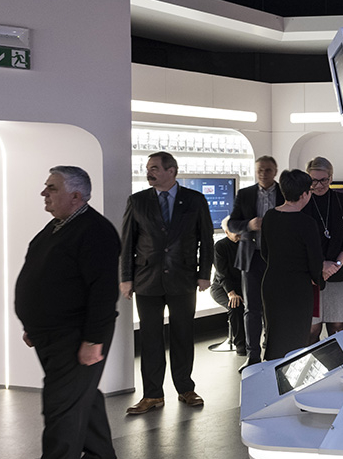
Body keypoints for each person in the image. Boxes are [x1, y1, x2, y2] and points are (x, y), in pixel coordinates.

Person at [3, 167, 120, 459]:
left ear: (76, 196)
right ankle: (100, 454)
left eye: (51, 188)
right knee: (82, 394)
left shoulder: (96, 231)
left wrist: (94, 340)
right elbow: (44, 277)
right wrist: (33, 322)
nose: (44, 193)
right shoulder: (57, 227)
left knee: (60, 404)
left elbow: (103, 291)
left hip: (77, 334)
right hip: (50, 333)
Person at [121, 151, 212, 414]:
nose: (149, 172)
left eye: (154, 168)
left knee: (183, 334)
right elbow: (127, 243)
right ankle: (152, 395)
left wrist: (204, 273)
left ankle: (185, 388)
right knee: (150, 338)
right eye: (148, 168)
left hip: (183, 278)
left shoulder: (195, 200)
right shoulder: (137, 201)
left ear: (171, 171)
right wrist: (126, 278)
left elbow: (206, 239)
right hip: (147, 279)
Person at [260, 169, 325, 360]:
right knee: (297, 338)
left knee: (274, 336)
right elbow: (315, 260)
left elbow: (265, 252)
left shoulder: (270, 216)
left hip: (272, 283)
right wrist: (318, 279)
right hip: (298, 288)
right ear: (304, 194)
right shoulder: (307, 222)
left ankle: (271, 374)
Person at [228, 155, 283, 365]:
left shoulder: (284, 193)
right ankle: (252, 356)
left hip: (277, 259)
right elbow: (232, 224)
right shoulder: (245, 194)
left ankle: (273, 352)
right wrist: (248, 226)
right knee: (252, 309)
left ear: (275, 171)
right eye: (259, 169)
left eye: (268, 170)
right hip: (251, 258)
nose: (263, 173)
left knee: (275, 308)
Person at [303, 157, 343, 341]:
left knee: (337, 328)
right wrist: (321, 265)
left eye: (324, 180)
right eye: (314, 181)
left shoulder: (341, 200)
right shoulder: (302, 201)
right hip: (311, 273)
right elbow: (298, 239)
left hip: (340, 270)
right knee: (311, 329)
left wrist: (336, 264)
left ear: (331, 178)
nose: (319, 185)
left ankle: (337, 362)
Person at [208, 216, 246, 356]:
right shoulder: (220, 247)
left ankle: (266, 341)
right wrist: (231, 293)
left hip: (243, 286)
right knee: (235, 306)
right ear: (226, 232)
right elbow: (222, 274)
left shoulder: (246, 244)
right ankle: (241, 345)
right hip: (222, 287)